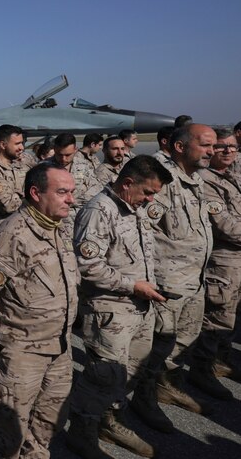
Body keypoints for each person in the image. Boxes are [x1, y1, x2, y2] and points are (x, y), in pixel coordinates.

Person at [66, 156, 172, 459]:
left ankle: (109, 420)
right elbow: (87, 266)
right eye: (148, 192)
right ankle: (82, 431)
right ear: (128, 183)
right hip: (110, 311)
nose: (151, 200)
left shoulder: (133, 207)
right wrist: (132, 285)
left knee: (132, 370)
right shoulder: (98, 210)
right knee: (103, 376)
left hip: (140, 305)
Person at [0, 163, 79, 459]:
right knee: (8, 434)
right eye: (62, 192)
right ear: (35, 193)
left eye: (72, 192)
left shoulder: (58, 227)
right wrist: (9, 331)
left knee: (47, 423)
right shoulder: (13, 234)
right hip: (21, 352)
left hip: (60, 346)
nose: (70, 199)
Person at [131, 123, 216, 432]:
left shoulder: (197, 176)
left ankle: (166, 386)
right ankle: (144, 396)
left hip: (195, 278)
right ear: (180, 146)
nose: (212, 151)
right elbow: (142, 232)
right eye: (205, 145)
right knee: (158, 347)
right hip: (168, 284)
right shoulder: (159, 178)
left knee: (184, 342)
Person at [189, 128, 241, 400]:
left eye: (232, 146)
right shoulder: (206, 180)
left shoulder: (229, 176)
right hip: (224, 262)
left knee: (231, 317)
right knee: (218, 316)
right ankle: (201, 368)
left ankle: (220, 360)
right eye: (221, 147)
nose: (228, 151)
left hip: (238, 259)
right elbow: (227, 227)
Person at [48, 133, 99, 229]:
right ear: (54, 149)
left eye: (68, 155)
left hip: (81, 219)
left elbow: (96, 188)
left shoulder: (84, 166)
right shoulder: (44, 167)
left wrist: (75, 201)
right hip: (55, 222)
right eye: (59, 155)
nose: (63, 159)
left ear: (75, 149)